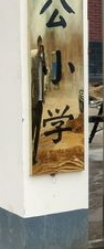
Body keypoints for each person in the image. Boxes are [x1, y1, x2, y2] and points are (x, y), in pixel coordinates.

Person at [31, 35, 48, 165]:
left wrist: (44, 58)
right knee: (31, 129)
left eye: (42, 45)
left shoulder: (42, 60)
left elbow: (45, 73)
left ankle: (34, 156)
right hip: (33, 101)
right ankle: (28, 154)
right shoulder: (33, 58)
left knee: (37, 131)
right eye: (39, 44)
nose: (41, 47)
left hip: (40, 101)